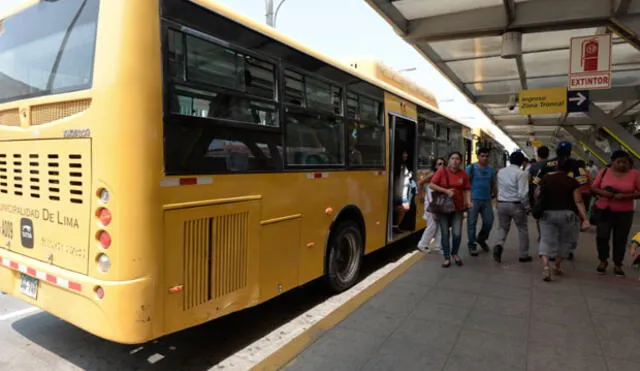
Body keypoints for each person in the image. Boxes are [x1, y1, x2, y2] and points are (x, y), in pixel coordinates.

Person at [535, 159, 590, 281]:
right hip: (567, 215)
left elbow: (537, 195)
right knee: (566, 241)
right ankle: (557, 265)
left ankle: (545, 267)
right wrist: (585, 218)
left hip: (547, 214)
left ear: (557, 167)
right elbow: (579, 201)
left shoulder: (546, 179)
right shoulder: (572, 182)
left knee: (545, 239)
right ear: (570, 170)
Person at [532, 141, 588, 260]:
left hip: (548, 204)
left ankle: (551, 253)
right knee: (567, 232)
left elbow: (536, 183)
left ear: (556, 151)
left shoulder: (547, 164)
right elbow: (582, 183)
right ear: (570, 151)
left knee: (551, 230)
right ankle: (565, 253)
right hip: (570, 205)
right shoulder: (576, 164)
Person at [590, 150, 640, 276]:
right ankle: (603, 260)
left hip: (624, 213)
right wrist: (604, 193)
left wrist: (626, 196)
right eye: (619, 162)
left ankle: (618, 264)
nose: (622, 165)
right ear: (612, 162)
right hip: (604, 210)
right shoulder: (604, 172)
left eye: (625, 162)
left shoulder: (635, 174)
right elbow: (594, 187)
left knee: (620, 239)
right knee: (602, 237)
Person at [429, 152, 471, 268]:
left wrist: (468, 201)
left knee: (457, 233)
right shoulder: (442, 171)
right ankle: (447, 257)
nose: (455, 161)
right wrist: (446, 191)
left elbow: (467, 189)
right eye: (452, 158)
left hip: (458, 208)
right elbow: (431, 185)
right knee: (445, 233)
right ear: (449, 160)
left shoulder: (463, 175)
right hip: (443, 208)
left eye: (457, 159)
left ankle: (455, 253)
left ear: (461, 161)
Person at [492, 151, 531, 263]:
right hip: (516, 205)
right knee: (522, 229)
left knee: (503, 227)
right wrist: (527, 207)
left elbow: (499, 188)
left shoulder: (501, 172)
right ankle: (523, 255)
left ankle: (499, 245)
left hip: (502, 203)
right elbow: (523, 193)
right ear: (522, 162)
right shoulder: (521, 173)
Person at [465, 147, 496, 256]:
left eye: (487, 156)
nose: (485, 158)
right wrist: (467, 200)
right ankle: (472, 245)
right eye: (482, 156)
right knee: (471, 223)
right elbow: (465, 184)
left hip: (487, 200)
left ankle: (481, 239)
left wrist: (495, 197)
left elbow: (493, 184)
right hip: (473, 199)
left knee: (489, 221)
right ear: (478, 156)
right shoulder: (471, 168)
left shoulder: (491, 169)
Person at [417, 158, 445, 253]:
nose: (441, 166)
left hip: (438, 202)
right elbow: (420, 183)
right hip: (430, 202)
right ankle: (422, 245)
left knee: (439, 225)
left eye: (443, 164)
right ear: (435, 165)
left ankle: (438, 246)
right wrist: (420, 195)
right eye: (439, 164)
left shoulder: (443, 175)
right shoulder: (433, 174)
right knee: (432, 225)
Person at [393, 149, 416, 232]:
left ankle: (395, 225)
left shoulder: (403, 165)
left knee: (404, 208)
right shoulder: (399, 166)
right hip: (399, 192)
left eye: (406, 153)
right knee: (403, 208)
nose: (406, 155)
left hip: (401, 192)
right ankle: (395, 226)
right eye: (404, 153)